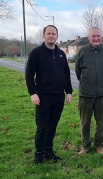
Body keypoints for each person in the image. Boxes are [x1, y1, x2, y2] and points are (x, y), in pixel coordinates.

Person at [25, 25, 73, 165]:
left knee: (52, 126)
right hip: (43, 96)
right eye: (49, 33)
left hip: (58, 97)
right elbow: (29, 74)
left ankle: (48, 151)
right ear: (44, 35)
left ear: (57, 36)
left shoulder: (61, 54)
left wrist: (68, 91)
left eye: (54, 34)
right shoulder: (36, 53)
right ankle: (38, 155)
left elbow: (66, 74)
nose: (51, 36)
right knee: (42, 127)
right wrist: (33, 93)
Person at [74, 27, 103, 155]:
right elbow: (77, 72)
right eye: (93, 36)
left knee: (101, 122)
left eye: (98, 36)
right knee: (85, 122)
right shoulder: (82, 51)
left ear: (101, 37)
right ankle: (85, 145)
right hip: (85, 94)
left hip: (102, 94)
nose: (96, 38)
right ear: (89, 38)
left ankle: (99, 145)